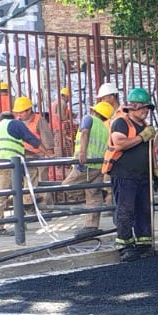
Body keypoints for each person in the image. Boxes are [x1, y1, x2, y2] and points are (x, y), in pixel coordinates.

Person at [106, 87, 158, 259]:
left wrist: (155, 171)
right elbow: (119, 143)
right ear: (134, 106)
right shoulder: (121, 122)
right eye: (144, 107)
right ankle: (125, 244)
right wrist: (141, 137)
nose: (146, 111)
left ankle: (144, 243)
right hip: (125, 174)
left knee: (143, 209)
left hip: (142, 175)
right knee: (126, 209)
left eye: (148, 108)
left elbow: (150, 150)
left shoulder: (144, 126)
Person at [62, 82, 119, 232]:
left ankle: (82, 205)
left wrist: (82, 152)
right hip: (98, 167)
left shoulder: (89, 118)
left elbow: (85, 133)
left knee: (66, 186)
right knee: (94, 195)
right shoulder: (106, 129)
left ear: (94, 111)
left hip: (84, 164)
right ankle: (91, 225)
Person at [0, 96, 44, 229]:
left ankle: (21, 220)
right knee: (3, 193)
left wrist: (33, 154)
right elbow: (33, 140)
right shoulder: (15, 124)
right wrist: (47, 153)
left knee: (16, 188)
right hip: (9, 163)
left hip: (3, 161)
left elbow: (17, 147)